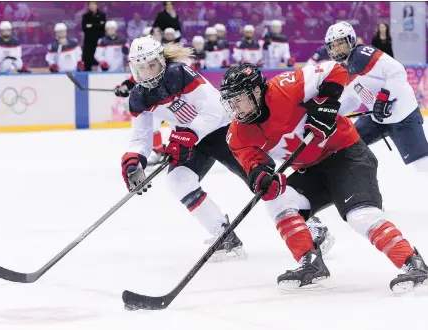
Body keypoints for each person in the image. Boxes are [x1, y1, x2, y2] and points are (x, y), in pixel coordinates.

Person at [219, 61, 428, 292]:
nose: (235, 108)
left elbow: (334, 69)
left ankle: (413, 263)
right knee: (277, 199)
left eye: (238, 99)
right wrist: (262, 179)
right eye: (231, 102)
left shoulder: (287, 88)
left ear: (256, 92)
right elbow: (253, 164)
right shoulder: (238, 133)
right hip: (310, 171)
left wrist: (327, 103)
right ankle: (311, 264)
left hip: (347, 156)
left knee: (360, 216)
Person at [120, 36, 248, 261]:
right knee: (178, 179)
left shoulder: (179, 73)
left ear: (162, 61)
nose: (148, 73)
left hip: (223, 129)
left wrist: (185, 136)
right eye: (142, 68)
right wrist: (133, 160)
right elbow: (141, 137)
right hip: (193, 138)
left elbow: (214, 110)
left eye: (152, 65)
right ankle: (224, 234)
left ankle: (310, 226)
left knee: (258, 178)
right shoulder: (138, 97)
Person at [327, 22, 428, 173]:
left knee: (423, 167)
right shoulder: (342, 69)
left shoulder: (363, 54)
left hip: (403, 116)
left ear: (351, 40)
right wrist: (332, 111)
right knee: (346, 145)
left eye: (340, 43)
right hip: (377, 118)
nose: (336, 48)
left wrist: (383, 98)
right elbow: (352, 99)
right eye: (332, 45)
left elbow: (397, 71)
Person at [113, 75, 167, 167]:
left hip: (159, 102)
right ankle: (158, 151)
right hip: (146, 104)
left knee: (154, 126)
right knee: (146, 128)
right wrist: (123, 87)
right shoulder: (141, 68)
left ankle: (160, 152)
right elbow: (132, 81)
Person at [81, 1, 106, 71]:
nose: (92, 6)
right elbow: (84, 28)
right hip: (89, 42)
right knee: (87, 61)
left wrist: (91, 25)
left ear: (97, 5)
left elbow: (103, 27)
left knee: (100, 59)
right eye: (90, 4)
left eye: (93, 4)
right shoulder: (85, 16)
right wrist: (97, 25)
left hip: (99, 42)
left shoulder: (102, 15)